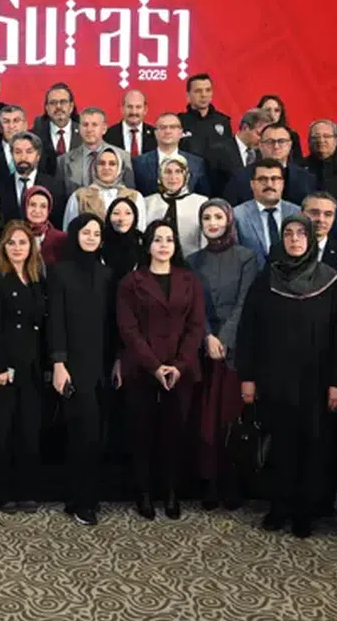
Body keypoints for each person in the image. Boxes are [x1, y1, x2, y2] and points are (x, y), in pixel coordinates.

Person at [237, 213, 337, 538]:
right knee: (280, 443)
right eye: (288, 233)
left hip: (318, 380)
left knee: (313, 444)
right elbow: (250, 329)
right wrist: (248, 377)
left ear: (311, 239)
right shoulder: (267, 279)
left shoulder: (331, 280)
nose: (295, 239)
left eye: (302, 233)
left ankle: (305, 512)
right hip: (276, 377)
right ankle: (280, 506)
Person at [117, 220, 206, 520]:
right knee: (141, 432)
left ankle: (171, 493)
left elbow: (196, 326)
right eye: (157, 239)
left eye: (169, 239)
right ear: (148, 245)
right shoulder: (131, 282)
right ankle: (143, 493)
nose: (164, 245)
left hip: (181, 369)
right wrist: (155, 366)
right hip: (142, 368)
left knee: (175, 433)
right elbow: (128, 329)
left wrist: (178, 365)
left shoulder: (189, 279)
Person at [187, 199, 258, 509]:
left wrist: (223, 339)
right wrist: (207, 337)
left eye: (218, 216)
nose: (213, 222)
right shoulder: (192, 260)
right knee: (205, 421)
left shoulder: (246, 257)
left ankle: (232, 484)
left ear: (229, 220)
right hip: (203, 350)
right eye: (207, 217)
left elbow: (245, 303)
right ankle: (209, 484)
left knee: (230, 419)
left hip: (234, 350)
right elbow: (193, 305)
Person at [48, 214, 113, 525]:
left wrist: (117, 361)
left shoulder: (106, 273)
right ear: (75, 235)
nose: (91, 237)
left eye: (96, 233)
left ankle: (84, 497)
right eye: (86, 232)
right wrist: (58, 363)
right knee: (81, 434)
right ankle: (82, 501)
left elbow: (112, 323)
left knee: (96, 435)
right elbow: (55, 319)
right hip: (73, 366)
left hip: (103, 366)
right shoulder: (60, 271)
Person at [0, 220, 46, 513]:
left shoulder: (36, 277)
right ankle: (0, 493)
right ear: (3, 247)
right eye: (12, 242)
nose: (17, 248)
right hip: (4, 368)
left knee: (28, 432)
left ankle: (27, 490)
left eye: (23, 242)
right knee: (1, 433)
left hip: (31, 366)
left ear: (31, 246)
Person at [62, 147, 143, 227]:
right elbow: (69, 229)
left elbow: (140, 230)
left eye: (112, 164)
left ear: (119, 167)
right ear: (94, 167)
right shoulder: (79, 196)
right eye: (101, 163)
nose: (106, 168)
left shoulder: (134, 197)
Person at [143, 156, 208, 256]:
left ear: (185, 175)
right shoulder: (148, 202)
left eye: (178, 171)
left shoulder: (201, 202)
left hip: (191, 261)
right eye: (168, 172)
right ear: (160, 176)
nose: (173, 177)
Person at [23, 185, 65, 265]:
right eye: (32, 205)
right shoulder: (14, 234)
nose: (37, 210)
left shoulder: (61, 238)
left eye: (43, 206)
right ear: (25, 207)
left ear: (48, 210)